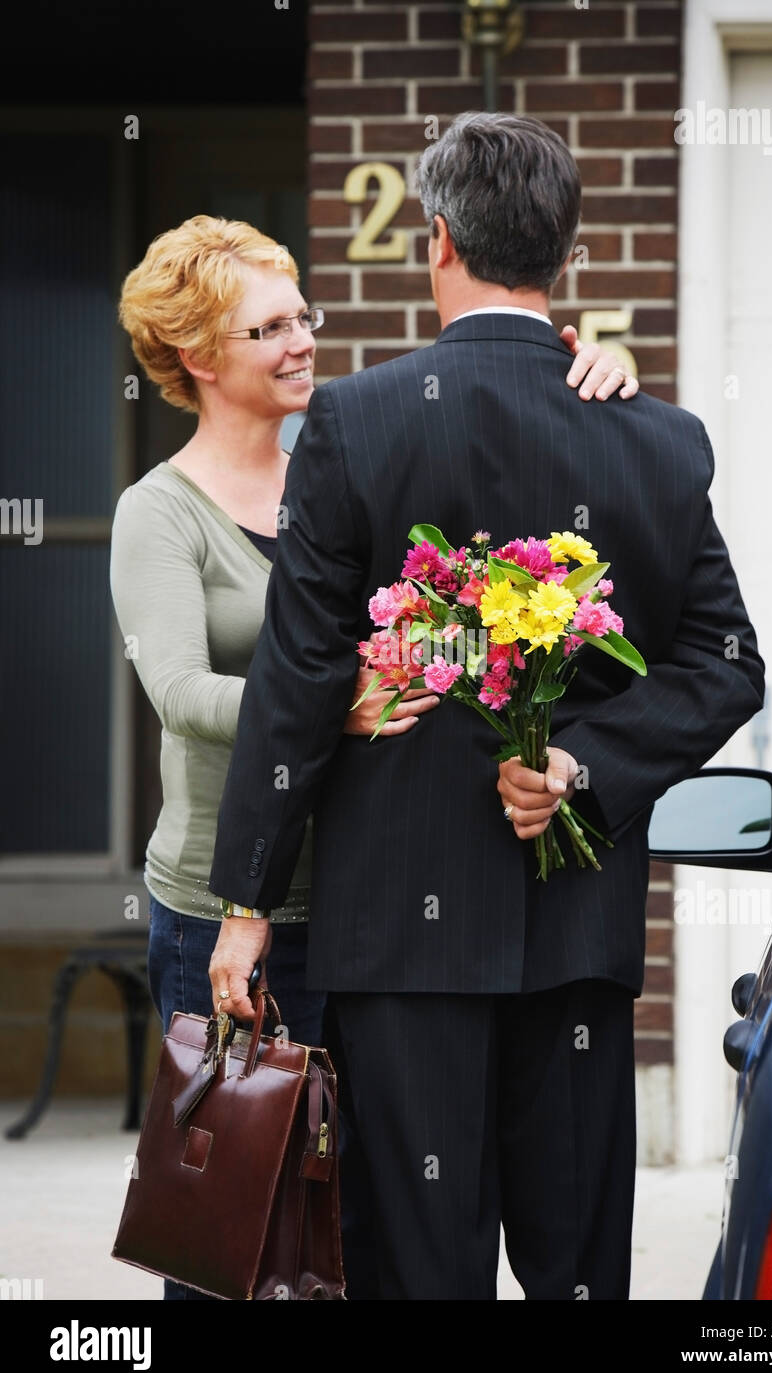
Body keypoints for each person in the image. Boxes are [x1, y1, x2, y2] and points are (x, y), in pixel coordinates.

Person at [207, 112, 765, 1299]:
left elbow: (300, 676)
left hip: (402, 953)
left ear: (438, 239)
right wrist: (584, 768)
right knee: (574, 1277)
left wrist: (245, 901)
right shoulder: (656, 437)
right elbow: (724, 663)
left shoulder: (351, 423)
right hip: (576, 943)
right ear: (562, 250)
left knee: (419, 1275)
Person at [109, 212, 636, 1301]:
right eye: (267, 330)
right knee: (237, 1228)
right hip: (227, 900)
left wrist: (592, 365)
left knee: (348, 1234)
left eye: (302, 315)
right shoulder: (158, 514)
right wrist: (327, 702)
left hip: (365, 899)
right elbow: (178, 691)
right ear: (198, 359)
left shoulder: (348, 448)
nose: (302, 341)